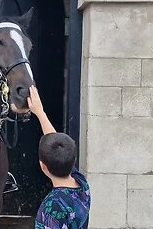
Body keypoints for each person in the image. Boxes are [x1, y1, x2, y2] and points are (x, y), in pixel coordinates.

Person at [27, 86, 91, 229]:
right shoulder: (81, 184)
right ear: (73, 160)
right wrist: (40, 112)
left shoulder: (52, 207)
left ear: (43, 167)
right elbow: (58, 145)